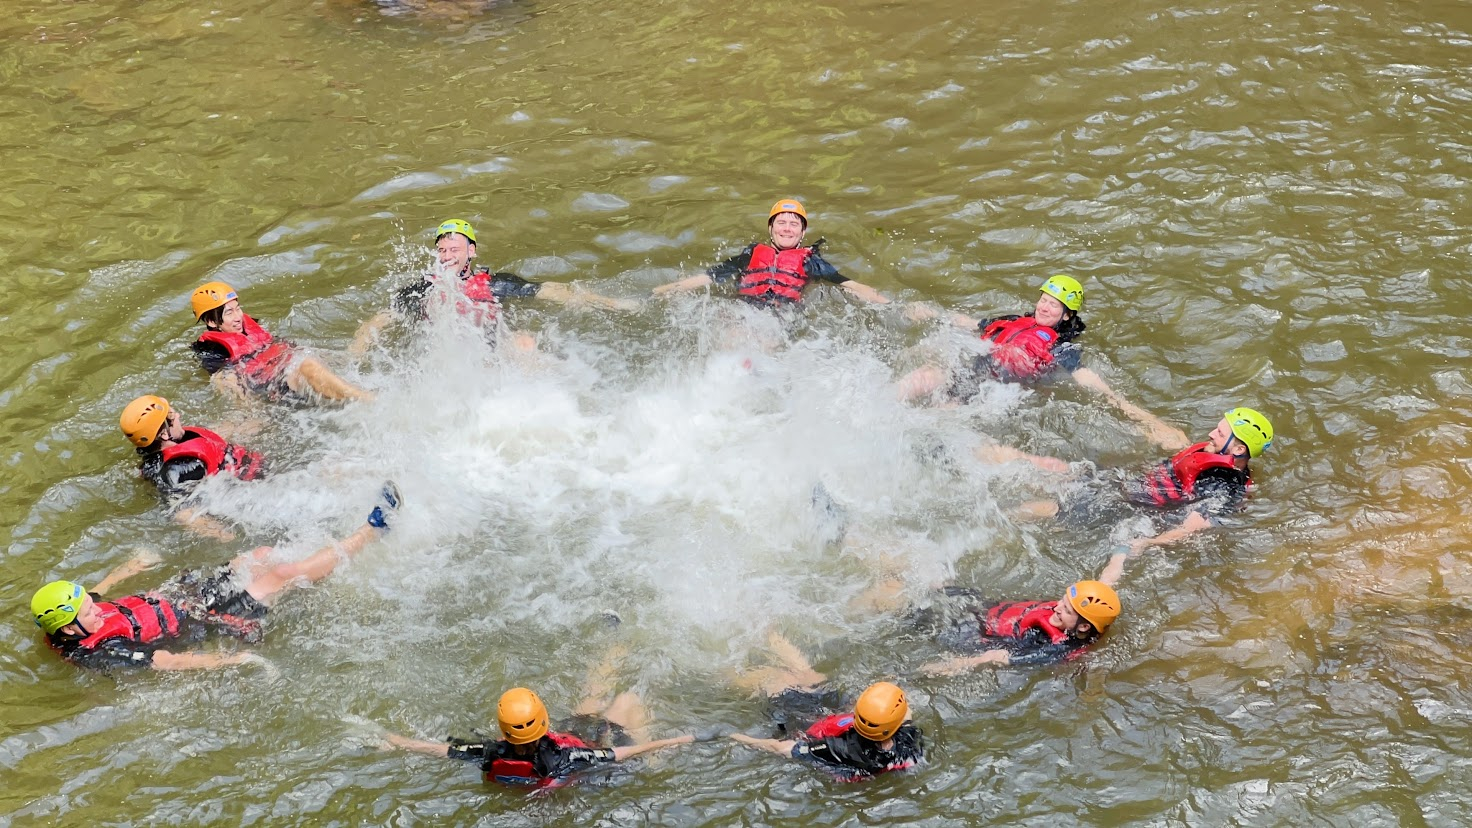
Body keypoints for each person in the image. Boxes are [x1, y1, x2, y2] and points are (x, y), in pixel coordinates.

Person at [29, 483, 401, 672]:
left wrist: (128, 569)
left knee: (258, 556)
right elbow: (167, 663)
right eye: (88, 612)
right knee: (280, 575)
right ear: (69, 630)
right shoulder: (102, 650)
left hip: (184, 596)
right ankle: (372, 531)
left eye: (91, 604)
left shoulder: (74, 616)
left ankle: (321, 567)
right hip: (198, 621)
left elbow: (96, 593)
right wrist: (231, 661)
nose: (96, 609)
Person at [350, 219, 637, 353]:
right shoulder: (423, 290)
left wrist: (610, 303)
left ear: (471, 251)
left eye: (455, 249)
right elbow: (380, 320)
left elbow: (548, 289)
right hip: (444, 359)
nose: (447, 257)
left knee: (524, 342)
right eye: (442, 251)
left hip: (493, 351)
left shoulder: (496, 284)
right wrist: (357, 352)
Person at [1020, 406, 1276, 553]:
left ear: (1239, 449)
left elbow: (1194, 526)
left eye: (1219, 433)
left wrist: (1148, 543)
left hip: (1129, 507)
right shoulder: (1217, 458)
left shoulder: (1222, 484)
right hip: (1129, 484)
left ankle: (1008, 515)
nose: (1210, 433)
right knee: (1059, 468)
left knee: (1053, 507)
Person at [384, 683, 698, 789]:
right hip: (585, 741)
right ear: (543, 722)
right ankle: (614, 644)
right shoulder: (567, 757)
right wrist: (677, 741)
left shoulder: (489, 752)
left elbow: (442, 750)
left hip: (567, 738)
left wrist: (397, 742)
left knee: (589, 702)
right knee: (627, 700)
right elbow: (624, 754)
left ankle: (612, 644)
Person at [900, 274, 1132, 404]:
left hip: (990, 390)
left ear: (1067, 314)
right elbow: (973, 324)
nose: (1044, 307)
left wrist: (1122, 403)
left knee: (943, 411)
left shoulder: (1061, 346)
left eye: (1053, 304)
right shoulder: (1014, 320)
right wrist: (933, 313)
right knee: (924, 375)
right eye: (1043, 300)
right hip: (970, 369)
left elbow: (1085, 377)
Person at [652, 199, 891, 309]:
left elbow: (850, 285)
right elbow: (709, 277)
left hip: (781, 316)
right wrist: (660, 292)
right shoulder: (751, 254)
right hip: (743, 311)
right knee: (731, 332)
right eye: (781, 222)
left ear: (802, 232)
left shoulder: (810, 261)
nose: (787, 228)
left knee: (762, 344)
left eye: (794, 224)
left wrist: (894, 305)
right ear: (770, 228)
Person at [730, 655, 924, 783]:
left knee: (776, 679)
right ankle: (772, 636)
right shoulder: (906, 740)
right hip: (843, 723)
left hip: (812, 726)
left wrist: (735, 736)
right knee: (810, 677)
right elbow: (904, 715)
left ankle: (727, 674)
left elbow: (780, 747)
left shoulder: (838, 748)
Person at [190, 281, 372, 403]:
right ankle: (367, 399)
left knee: (351, 357)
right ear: (212, 322)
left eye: (238, 309)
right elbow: (224, 379)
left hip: (288, 363)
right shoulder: (211, 349)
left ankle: (385, 316)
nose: (238, 317)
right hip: (275, 386)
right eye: (229, 313)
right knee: (308, 366)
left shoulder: (247, 326)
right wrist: (250, 409)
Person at [119, 394, 265, 539]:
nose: (178, 415)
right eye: (171, 415)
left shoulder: (159, 452)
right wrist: (226, 536)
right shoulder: (181, 467)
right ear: (164, 434)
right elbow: (183, 514)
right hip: (255, 485)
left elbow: (208, 441)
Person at [915, 576, 1123, 675]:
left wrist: (946, 667)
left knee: (917, 618)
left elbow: (997, 657)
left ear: (1084, 627)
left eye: (1066, 610)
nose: (1057, 608)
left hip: (980, 634)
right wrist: (1122, 552)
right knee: (937, 588)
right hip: (992, 610)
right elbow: (1107, 581)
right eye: (1062, 601)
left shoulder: (1054, 646)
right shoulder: (1087, 611)